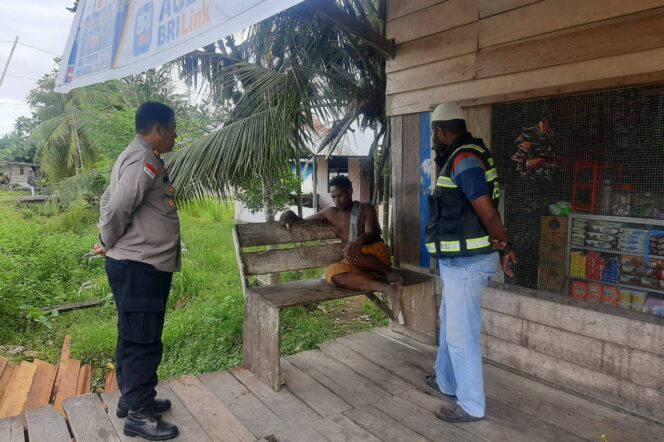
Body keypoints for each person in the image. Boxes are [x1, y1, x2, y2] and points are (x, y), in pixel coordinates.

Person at [425, 102, 517, 423]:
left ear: (441, 130)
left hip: (468, 263)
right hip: (458, 262)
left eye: (434, 131)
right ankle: (447, 381)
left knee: (461, 333)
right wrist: (503, 248)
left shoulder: (464, 159)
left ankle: (470, 404)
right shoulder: (463, 155)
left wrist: (505, 247)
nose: (433, 138)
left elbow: (488, 211)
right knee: (450, 321)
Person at [95, 102, 180, 440]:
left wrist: (108, 236)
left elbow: (107, 199)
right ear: (158, 129)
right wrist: (108, 236)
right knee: (143, 341)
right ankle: (139, 414)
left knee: (133, 335)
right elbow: (116, 204)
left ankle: (132, 400)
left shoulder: (134, 155)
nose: (175, 136)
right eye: (173, 129)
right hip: (140, 266)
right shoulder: (142, 158)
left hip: (138, 264)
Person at [279, 175, 404, 319]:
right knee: (332, 274)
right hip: (353, 260)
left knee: (351, 253)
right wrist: (289, 214)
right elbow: (302, 222)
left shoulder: (365, 208)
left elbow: (373, 233)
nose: (337, 200)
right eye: (333, 197)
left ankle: (387, 272)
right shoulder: (330, 213)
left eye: (340, 195)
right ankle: (387, 289)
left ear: (350, 191)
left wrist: (358, 240)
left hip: (375, 257)